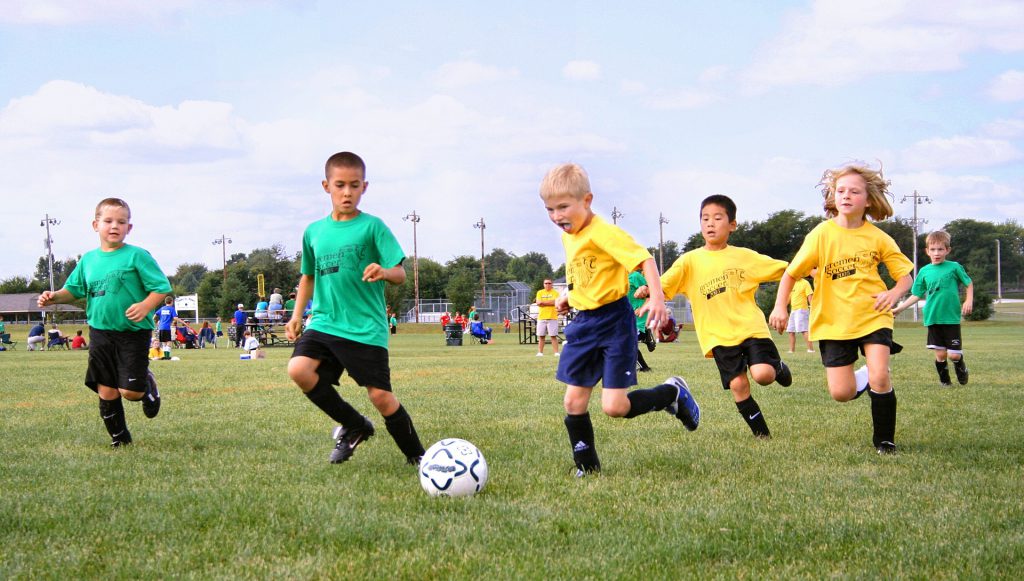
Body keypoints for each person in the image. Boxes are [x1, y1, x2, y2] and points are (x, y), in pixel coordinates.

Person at [540, 162, 699, 477]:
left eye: (563, 207)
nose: (557, 216)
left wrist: (656, 298)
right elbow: (588, 275)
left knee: (615, 407)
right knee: (573, 402)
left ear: (586, 201)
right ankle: (588, 468)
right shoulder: (568, 236)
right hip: (584, 324)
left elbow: (644, 260)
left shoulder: (604, 232)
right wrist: (568, 297)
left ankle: (672, 393)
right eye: (549, 209)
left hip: (614, 323)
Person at [284, 151, 425, 466]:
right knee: (299, 370)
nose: (347, 192)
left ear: (365, 187)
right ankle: (355, 425)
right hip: (324, 322)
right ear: (326, 186)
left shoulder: (373, 227)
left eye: (354, 185)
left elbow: (400, 274)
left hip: (364, 327)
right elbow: (308, 277)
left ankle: (418, 457)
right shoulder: (313, 232)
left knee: (380, 397)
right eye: (340, 185)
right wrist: (296, 316)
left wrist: (384, 271)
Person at [769, 163, 914, 455]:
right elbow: (791, 274)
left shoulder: (878, 237)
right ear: (833, 196)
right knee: (841, 393)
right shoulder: (821, 234)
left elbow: (905, 277)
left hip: (873, 315)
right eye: (840, 190)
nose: (846, 195)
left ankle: (885, 441)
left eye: (854, 191)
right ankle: (866, 376)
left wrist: (894, 293)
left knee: (881, 377)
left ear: (868, 199)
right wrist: (779, 307)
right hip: (833, 322)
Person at [37, 197, 171, 447]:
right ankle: (120, 439)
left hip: (133, 332)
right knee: (106, 390)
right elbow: (74, 289)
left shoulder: (137, 256)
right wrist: (54, 296)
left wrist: (145, 306)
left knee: (131, 393)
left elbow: (161, 288)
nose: (114, 226)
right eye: (108, 221)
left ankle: (147, 382)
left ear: (129, 228)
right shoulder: (88, 260)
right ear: (95, 224)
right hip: (100, 332)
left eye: (121, 222)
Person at [659, 195, 792, 439]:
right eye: (705, 218)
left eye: (718, 218)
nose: (710, 223)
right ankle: (763, 436)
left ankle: (778, 367)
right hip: (718, 335)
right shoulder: (689, 261)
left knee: (763, 375)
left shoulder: (744, 256)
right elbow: (663, 285)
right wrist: (649, 290)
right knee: (738, 385)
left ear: (732, 225)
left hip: (751, 327)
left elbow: (786, 270)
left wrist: (812, 267)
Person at [892, 230, 973, 386]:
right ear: (927, 251)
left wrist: (968, 300)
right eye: (933, 250)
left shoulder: (954, 267)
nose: (937, 253)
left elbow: (968, 283)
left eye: (941, 249)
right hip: (932, 317)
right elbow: (916, 295)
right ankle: (945, 381)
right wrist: (899, 309)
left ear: (947, 250)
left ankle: (961, 367)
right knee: (941, 354)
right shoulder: (924, 271)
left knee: (954, 355)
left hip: (950, 317)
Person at [628, 270, 656, 372]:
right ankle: (645, 336)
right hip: (627, 317)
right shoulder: (618, 279)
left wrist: (642, 308)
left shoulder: (635, 276)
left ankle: (644, 367)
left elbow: (651, 293)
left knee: (628, 342)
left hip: (639, 315)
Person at [787, 269, 816, 353]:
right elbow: (789, 298)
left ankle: (811, 349)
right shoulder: (792, 284)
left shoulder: (805, 283)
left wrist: (812, 308)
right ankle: (791, 350)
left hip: (802, 310)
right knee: (790, 331)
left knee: (804, 330)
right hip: (793, 310)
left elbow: (810, 296)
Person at [534, 279, 561, 357]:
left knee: (553, 336)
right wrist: (549, 302)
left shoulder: (555, 293)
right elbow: (538, 302)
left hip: (552, 317)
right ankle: (540, 352)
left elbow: (555, 302)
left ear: (552, 284)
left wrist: (543, 302)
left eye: (549, 283)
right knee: (541, 336)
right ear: (543, 284)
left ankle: (556, 352)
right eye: (546, 283)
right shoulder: (540, 292)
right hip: (541, 317)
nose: (547, 284)